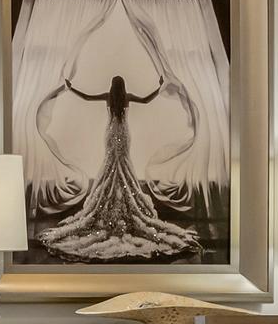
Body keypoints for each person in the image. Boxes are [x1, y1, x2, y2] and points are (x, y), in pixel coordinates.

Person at [40, 73, 200, 260]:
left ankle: (110, 196)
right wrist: (160, 87)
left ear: (112, 86)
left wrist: (70, 87)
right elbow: (147, 100)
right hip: (123, 133)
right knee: (122, 164)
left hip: (110, 133)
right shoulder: (127, 96)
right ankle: (123, 194)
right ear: (123, 86)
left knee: (112, 164)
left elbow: (86, 97)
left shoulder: (108, 97)